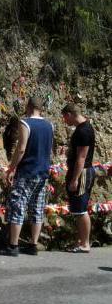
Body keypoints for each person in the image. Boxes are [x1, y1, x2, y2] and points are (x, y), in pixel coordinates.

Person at [0, 96, 54, 257]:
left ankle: (13, 245)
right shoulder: (49, 125)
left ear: (28, 106)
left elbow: (21, 149)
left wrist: (11, 168)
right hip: (43, 171)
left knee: (18, 205)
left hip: (27, 171)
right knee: (37, 207)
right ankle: (33, 245)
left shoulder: (25, 123)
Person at [62, 103, 96, 253]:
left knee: (81, 209)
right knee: (77, 209)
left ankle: (85, 244)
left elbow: (81, 157)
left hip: (82, 173)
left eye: (64, 118)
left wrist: (75, 179)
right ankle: (81, 241)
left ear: (69, 114)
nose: (64, 121)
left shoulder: (83, 131)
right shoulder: (82, 128)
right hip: (80, 171)